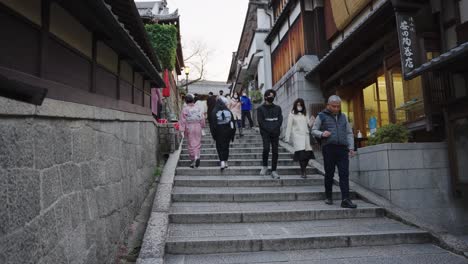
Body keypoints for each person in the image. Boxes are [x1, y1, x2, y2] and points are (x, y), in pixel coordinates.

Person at [312, 95, 357, 209]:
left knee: (344, 174)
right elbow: (313, 130)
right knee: (329, 173)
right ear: (328, 105)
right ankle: (328, 196)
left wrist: (351, 147)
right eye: (334, 106)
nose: (336, 109)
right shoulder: (321, 116)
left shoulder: (343, 117)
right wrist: (322, 134)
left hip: (342, 148)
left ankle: (345, 199)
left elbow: (349, 133)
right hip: (329, 148)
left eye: (338, 106)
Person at [285, 98, 315, 178]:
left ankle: (304, 169)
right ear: (295, 105)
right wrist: (287, 138)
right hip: (297, 137)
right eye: (298, 105)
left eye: (301, 105)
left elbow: (308, 125)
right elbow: (289, 126)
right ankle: (303, 172)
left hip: (306, 136)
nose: (299, 106)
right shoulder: (292, 114)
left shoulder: (305, 113)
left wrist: (312, 121)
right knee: (301, 155)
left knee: (308, 154)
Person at [257, 89, 283, 179]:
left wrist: (275, 127)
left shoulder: (278, 108)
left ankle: (274, 170)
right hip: (265, 132)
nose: (271, 98)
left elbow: (280, 120)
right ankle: (264, 166)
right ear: (265, 97)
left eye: (273, 96)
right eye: (269, 96)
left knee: (275, 150)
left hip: (275, 132)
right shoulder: (260, 109)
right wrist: (268, 128)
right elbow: (260, 122)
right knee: (266, 148)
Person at [179, 94, 205, 168]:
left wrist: (182, 130)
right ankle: (196, 156)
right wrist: (202, 126)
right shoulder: (198, 108)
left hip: (189, 127)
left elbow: (182, 120)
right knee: (197, 143)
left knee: (191, 144)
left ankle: (193, 159)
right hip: (198, 126)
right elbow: (202, 118)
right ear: (193, 100)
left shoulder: (185, 109)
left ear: (186, 101)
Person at [210, 97, 236, 170]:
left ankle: (222, 161)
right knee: (226, 146)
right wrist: (232, 133)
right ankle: (226, 161)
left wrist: (213, 134)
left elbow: (213, 124)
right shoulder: (228, 111)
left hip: (219, 131)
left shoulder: (214, 111)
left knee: (219, 146)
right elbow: (232, 122)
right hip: (227, 130)